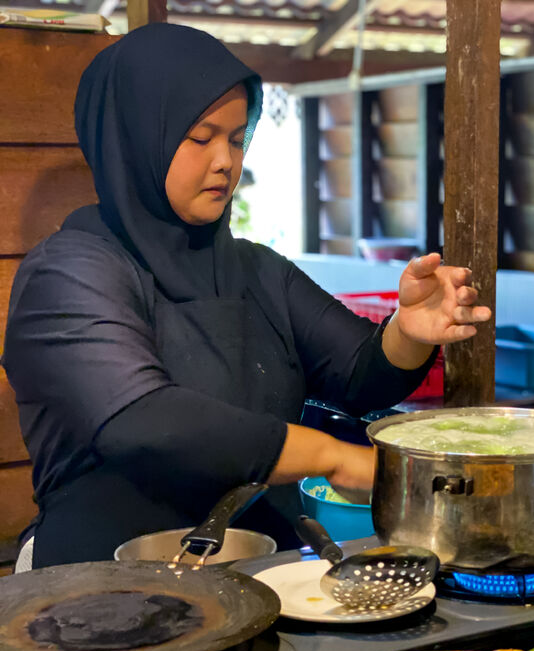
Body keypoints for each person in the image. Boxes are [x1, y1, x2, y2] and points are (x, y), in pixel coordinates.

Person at [2, 23, 491, 569]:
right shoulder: (69, 272)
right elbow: (141, 420)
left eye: (236, 139)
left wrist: (407, 330)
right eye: (200, 137)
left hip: (258, 569)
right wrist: (328, 456)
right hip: (99, 584)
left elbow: (360, 373)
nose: (225, 162)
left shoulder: (255, 269)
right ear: (137, 138)